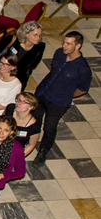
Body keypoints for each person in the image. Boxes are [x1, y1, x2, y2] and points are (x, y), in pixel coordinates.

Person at [32, 32, 91, 165]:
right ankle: (28, 141)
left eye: (68, 43)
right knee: (33, 119)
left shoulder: (83, 69)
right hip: (42, 92)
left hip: (58, 102)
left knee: (49, 127)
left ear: (78, 46)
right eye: (64, 42)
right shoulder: (59, 53)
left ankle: (43, 151)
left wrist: (68, 93)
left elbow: (83, 89)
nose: (64, 46)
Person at [0, 21, 45, 89]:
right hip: (1, 73)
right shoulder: (12, 40)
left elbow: (34, 65)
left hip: (18, 79)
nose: (38, 38)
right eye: (35, 35)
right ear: (26, 34)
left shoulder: (40, 47)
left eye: (40, 35)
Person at [5, 92, 42, 160]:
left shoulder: (34, 126)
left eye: (24, 102)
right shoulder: (10, 109)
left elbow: (31, 145)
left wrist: (17, 158)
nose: (19, 103)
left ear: (31, 107)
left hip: (14, 150)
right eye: (18, 100)